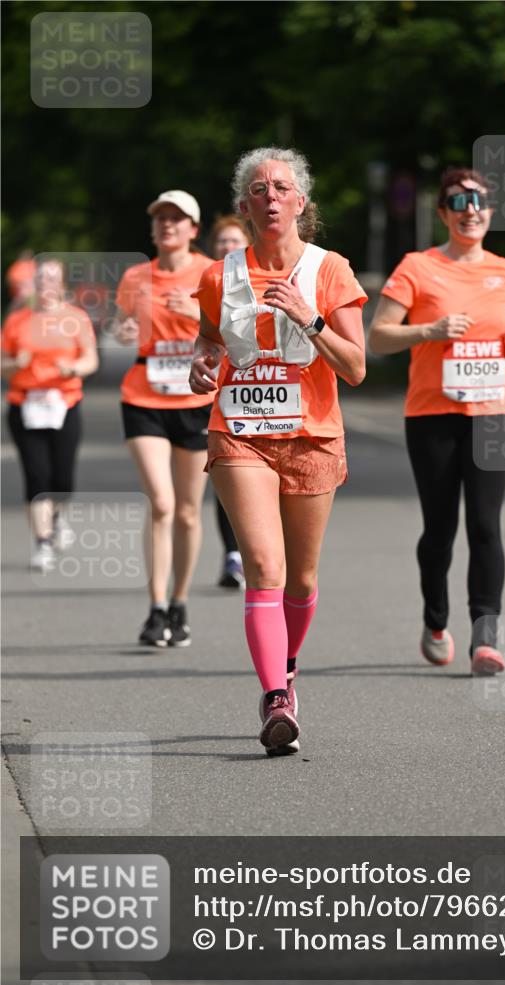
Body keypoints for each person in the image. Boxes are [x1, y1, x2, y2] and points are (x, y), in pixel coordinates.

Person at [190, 147, 366, 755]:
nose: (270, 197)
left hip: (311, 436)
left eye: (281, 188)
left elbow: (357, 368)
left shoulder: (331, 270)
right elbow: (208, 340)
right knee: (264, 567)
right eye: (259, 189)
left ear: (300, 203)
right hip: (239, 432)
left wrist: (312, 321)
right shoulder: (219, 275)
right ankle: (275, 701)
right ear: (245, 206)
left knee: (302, 576)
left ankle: (287, 666)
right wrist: (202, 363)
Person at [368, 167, 505, 675]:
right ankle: (436, 620)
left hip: (496, 410)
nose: (471, 211)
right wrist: (431, 330)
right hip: (433, 413)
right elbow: (378, 337)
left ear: (490, 210)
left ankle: (486, 636)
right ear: (443, 213)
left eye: (479, 201)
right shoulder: (417, 267)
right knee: (440, 529)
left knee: (485, 526)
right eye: (459, 203)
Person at [115, 190, 216, 648]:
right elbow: (125, 326)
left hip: (195, 401)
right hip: (144, 396)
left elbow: (232, 332)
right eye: (161, 219)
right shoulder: (136, 277)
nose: (168, 226)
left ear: (194, 229)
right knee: (161, 502)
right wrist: (123, 330)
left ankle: (180, 601)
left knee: (190, 512)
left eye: (178, 219)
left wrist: (195, 313)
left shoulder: (211, 273)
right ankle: (155, 609)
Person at [2, 257, 98, 568]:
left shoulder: (76, 318)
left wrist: (73, 368)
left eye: (52, 279)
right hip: (25, 403)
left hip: (64, 403)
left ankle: (57, 516)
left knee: (62, 478)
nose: (45, 285)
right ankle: (42, 541)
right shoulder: (17, 321)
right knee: (36, 474)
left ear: (62, 285)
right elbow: (2, 363)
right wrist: (15, 365)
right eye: (40, 279)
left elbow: (90, 359)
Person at [207, 213, 253, 589]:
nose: (227, 247)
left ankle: (262, 552)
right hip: (216, 398)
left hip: (268, 401)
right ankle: (234, 554)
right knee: (230, 480)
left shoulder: (263, 280)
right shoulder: (208, 280)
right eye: (222, 242)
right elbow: (202, 334)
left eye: (234, 241)